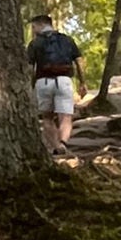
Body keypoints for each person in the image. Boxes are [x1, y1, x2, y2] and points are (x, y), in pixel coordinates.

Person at [27, 13, 85, 155]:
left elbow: (30, 68)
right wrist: (82, 82)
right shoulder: (67, 40)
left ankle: (55, 146)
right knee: (65, 116)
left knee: (46, 117)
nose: (33, 30)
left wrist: (30, 85)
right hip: (64, 81)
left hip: (43, 82)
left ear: (41, 25)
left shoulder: (35, 43)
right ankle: (63, 143)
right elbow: (79, 61)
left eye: (34, 27)